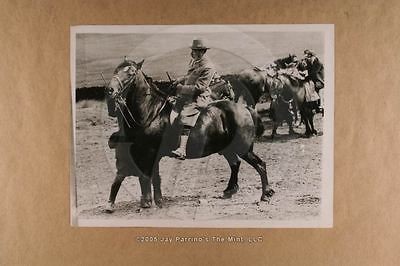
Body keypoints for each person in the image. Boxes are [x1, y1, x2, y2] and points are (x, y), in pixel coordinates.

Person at [170, 39, 217, 160]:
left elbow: (200, 88)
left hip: (198, 97)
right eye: (193, 50)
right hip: (187, 94)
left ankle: (182, 149)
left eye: (195, 51)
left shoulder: (208, 67)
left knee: (185, 114)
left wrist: (181, 88)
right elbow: (190, 76)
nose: (192, 52)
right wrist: (179, 80)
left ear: (202, 52)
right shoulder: (196, 61)